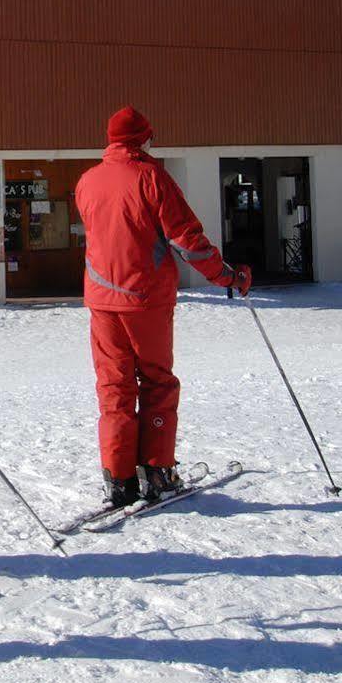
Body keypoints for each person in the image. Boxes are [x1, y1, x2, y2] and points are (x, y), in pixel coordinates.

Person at [74, 106, 252, 508]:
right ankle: (158, 472)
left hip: (102, 301)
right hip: (146, 300)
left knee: (114, 387)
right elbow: (187, 240)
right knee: (157, 382)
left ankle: (118, 478)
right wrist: (228, 276)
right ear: (142, 139)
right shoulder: (151, 177)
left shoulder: (87, 182)